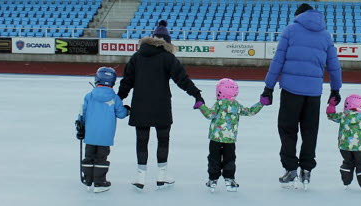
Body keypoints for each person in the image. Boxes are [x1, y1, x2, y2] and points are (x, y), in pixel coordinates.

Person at [260, 2, 342, 188]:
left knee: (288, 129)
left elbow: (278, 60)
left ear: (298, 15)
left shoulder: (290, 30)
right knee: (310, 131)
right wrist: (335, 89)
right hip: (313, 93)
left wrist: (268, 87)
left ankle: (290, 169)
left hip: (291, 91)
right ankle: (306, 170)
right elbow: (334, 65)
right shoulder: (325, 36)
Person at [118, 20, 205, 190]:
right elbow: (182, 79)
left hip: (140, 105)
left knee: (141, 141)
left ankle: (140, 177)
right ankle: (161, 177)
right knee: (163, 140)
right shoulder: (168, 57)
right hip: (161, 106)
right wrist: (197, 95)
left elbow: (127, 81)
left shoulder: (137, 57)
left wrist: (117, 99)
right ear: (167, 42)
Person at [195, 78, 264, 192]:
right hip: (230, 139)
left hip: (215, 138)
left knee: (214, 158)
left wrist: (201, 105)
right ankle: (229, 178)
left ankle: (213, 179)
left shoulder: (218, 104)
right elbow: (250, 111)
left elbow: (209, 115)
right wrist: (261, 103)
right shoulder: (236, 106)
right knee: (229, 158)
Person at [78, 67, 130, 193]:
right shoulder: (115, 98)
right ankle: (100, 182)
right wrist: (127, 110)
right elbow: (121, 114)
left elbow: (82, 113)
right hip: (105, 136)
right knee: (101, 157)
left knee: (89, 156)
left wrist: (80, 127)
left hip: (90, 134)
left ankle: (88, 180)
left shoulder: (89, 96)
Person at [326, 94, 361, 191]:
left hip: (344, 146)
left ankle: (346, 181)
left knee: (348, 162)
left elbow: (331, 116)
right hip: (359, 147)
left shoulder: (343, 116)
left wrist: (331, 106)